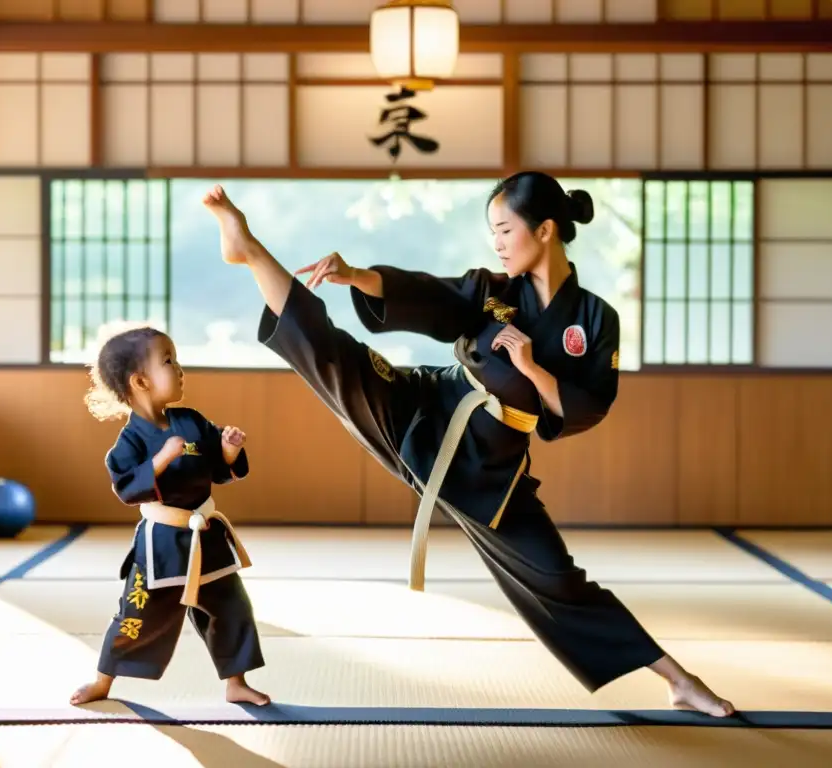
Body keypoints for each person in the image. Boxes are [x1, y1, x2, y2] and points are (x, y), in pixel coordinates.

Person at [201, 171, 735, 718]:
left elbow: (588, 404)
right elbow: (435, 298)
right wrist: (358, 275)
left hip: (493, 471)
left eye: (505, 230)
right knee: (335, 355)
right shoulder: (493, 291)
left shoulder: (597, 320)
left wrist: (531, 367)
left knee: (559, 580)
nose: (497, 244)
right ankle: (251, 251)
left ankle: (680, 680)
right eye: (493, 233)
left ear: (546, 229)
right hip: (426, 411)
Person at [69, 324, 270, 707]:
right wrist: (160, 460)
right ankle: (102, 680)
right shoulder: (128, 442)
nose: (179, 369)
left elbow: (218, 468)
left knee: (231, 606)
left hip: (205, 536)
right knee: (137, 612)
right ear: (141, 380)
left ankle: (236, 682)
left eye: (176, 359)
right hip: (161, 543)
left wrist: (227, 452)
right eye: (168, 361)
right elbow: (127, 487)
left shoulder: (192, 421)